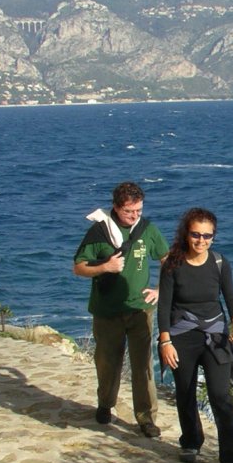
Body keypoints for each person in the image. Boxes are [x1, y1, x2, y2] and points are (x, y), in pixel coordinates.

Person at [73, 181, 169, 437]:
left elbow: (167, 259)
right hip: (106, 310)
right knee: (107, 363)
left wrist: (160, 290)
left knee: (143, 366)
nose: (135, 216)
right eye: (129, 211)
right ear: (116, 207)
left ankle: (146, 417)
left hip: (140, 309)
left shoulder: (147, 230)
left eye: (139, 210)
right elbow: (79, 267)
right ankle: (105, 404)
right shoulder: (99, 231)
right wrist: (105, 267)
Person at [157, 207, 233, 463]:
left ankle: (232, 459)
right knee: (185, 392)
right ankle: (191, 442)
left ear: (213, 237)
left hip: (215, 335)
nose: (201, 241)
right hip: (181, 336)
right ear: (186, 233)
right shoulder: (172, 264)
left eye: (207, 236)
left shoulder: (219, 263)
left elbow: (230, 295)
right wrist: (165, 341)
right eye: (196, 234)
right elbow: (164, 306)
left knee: (221, 396)